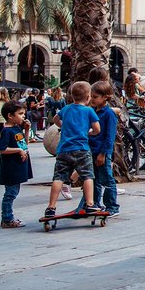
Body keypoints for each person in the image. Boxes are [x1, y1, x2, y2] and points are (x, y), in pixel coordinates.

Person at [44, 81, 103, 220]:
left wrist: (63, 125)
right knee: (88, 176)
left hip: (64, 149)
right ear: (88, 97)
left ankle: (51, 207)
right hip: (82, 148)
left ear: (71, 96)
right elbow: (97, 129)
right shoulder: (89, 111)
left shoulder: (67, 109)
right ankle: (89, 204)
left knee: (58, 178)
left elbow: (55, 119)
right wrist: (88, 132)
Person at [0, 100, 33, 228]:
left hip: (18, 166)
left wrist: (27, 130)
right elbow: (1, 149)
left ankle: (8, 217)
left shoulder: (17, 128)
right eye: (20, 113)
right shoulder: (7, 131)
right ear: (10, 116)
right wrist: (18, 150)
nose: (23, 116)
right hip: (11, 167)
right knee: (10, 193)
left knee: (13, 192)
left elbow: (24, 143)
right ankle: (7, 218)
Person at [89, 81, 120, 216]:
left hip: (102, 151)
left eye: (95, 97)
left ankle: (112, 206)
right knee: (95, 178)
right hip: (92, 150)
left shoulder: (109, 114)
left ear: (105, 97)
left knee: (107, 179)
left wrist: (103, 153)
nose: (92, 99)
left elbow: (109, 137)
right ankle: (95, 204)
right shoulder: (93, 112)